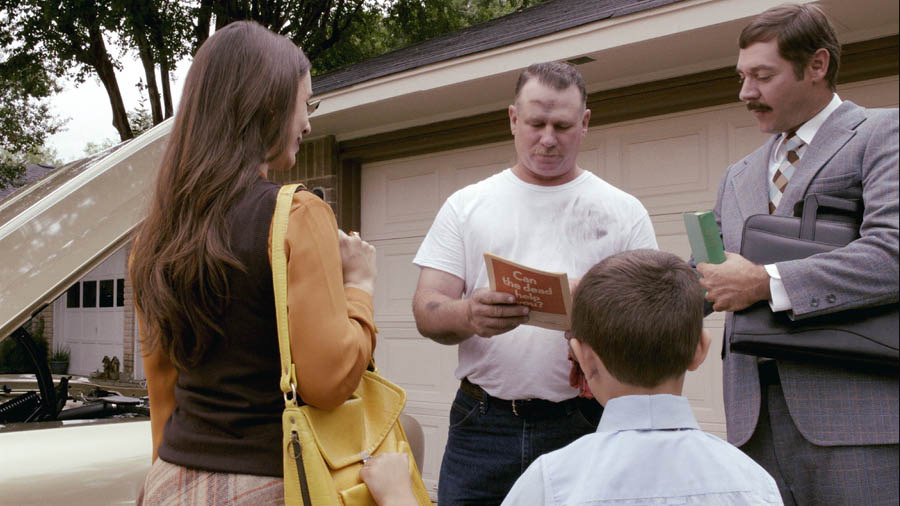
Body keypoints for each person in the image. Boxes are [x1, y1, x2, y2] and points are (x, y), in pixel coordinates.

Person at [129, 21, 377, 505]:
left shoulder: (155, 235)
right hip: (268, 483)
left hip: (169, 481)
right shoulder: (298, 214)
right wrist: (360, 286)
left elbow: (162, 388)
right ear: (266, 105)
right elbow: (328, 382)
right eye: (304, 104)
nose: (307, 123)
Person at [411, 61, 658, 504]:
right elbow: (427, 311)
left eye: (562, 125)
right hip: (481, 422)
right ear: (512, 119)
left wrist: (598, 305)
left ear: (584, 123)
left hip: (583, 420)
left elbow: (654, 321)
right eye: (535, 123)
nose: (547, 138)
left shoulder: (624, 211)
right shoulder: (466, 206)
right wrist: (468, 314)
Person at [364, 250, 783, 506]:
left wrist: (400, 494)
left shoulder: (554, 481)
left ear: (582, 358)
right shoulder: (754, 481)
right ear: (700, 351)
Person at [695, 4, 899, 505]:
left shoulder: (881, 134)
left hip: (855, 422)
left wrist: (766, 282)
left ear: (817, 65)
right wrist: (604, 300)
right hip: (751, 424)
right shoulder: (737, 175)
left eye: (762, 76)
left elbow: (891, 252)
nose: (746, 93)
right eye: (742, 76)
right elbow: (709, 276)